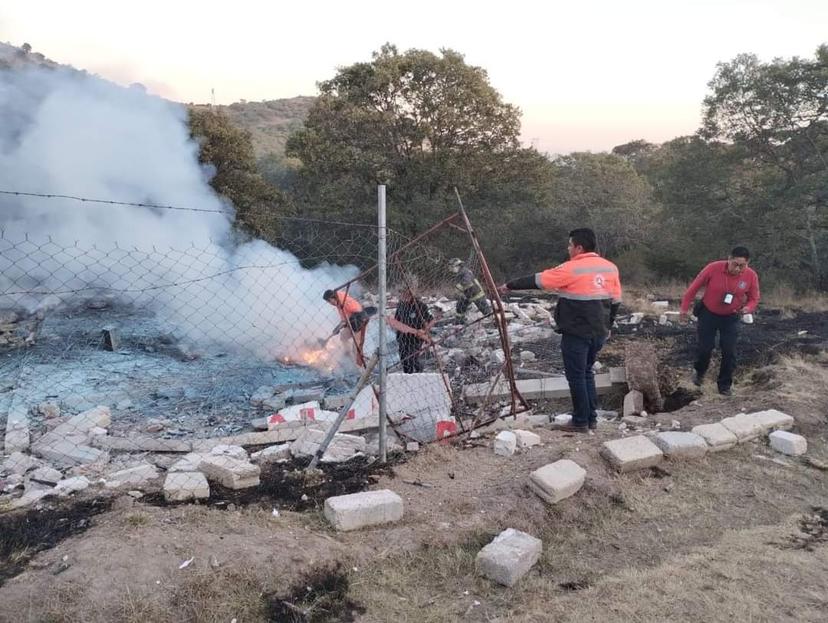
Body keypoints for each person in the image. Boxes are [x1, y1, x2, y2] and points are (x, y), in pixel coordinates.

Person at [499, 228, 622, 433]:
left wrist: (509, 285)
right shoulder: (610, 268)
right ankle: (591, 418)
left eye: (569, 245)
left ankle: (581, 421)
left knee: (576, 376)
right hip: (599, 331)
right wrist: (608, 326)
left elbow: (540, 280)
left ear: (579, 247)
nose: (568, 249)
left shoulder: (572, 268)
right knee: (587, 372)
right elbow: (616, 301)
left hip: (576, 332)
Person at [679, 246, 760, 396]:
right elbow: (692, 289)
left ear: (748, 263)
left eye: (742, 265)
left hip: (731, 316)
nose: (737, 268)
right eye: (735, 264)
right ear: (729, 259)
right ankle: (699, 372)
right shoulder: (713, 268)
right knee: (705, 348)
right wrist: (684, 309)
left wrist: (747, 309)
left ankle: (724, 385)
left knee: (729, 351)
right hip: (708, 314)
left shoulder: (751, 276)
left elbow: (754, 298)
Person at [386, 286, 434, 373]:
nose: (403, 296)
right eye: (402, 294)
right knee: (404, 359)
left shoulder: (421, 306)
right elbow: (397, 320)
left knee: (412, 359)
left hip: (415, 339)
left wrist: (424, 331)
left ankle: (418, 373)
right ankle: (408, 375)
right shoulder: (401, 305)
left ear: (411, 295)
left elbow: (431, 320)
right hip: (402, 337)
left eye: (406, 294)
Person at [322, 289, 369, 366]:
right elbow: (344, 318)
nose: (330, 303)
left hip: (360, 322)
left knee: (356, 347)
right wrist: (338, 328)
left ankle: (361, 367)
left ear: (333, 297)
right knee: (343, 336)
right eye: (328, 302)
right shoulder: (338, 303)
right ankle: (348, 355)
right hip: (353, 322)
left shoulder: (345, 302)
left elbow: (358, 312)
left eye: (330, 301)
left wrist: (345, 323)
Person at [448, 258, 492, 322]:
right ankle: (460, 320)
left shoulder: (465, 272)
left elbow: (467, 282)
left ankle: (495, 321)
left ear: (458, 266)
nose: (451, 269)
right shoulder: (460, 273)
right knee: (460, 307)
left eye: (452, 267)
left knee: (485, 309)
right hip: (467, 295)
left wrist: (459, 288)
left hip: (476, 293)